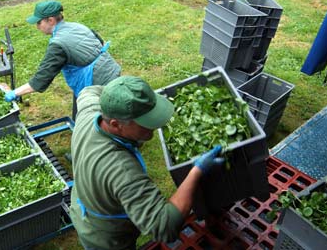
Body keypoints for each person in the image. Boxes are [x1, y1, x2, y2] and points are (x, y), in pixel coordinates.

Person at [69, 76, 224, 250]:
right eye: (145, 122)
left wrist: (124, 96)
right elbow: (165, 227)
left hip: (84, 200)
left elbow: (87, 91)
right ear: (115, 124)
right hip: (106, 238)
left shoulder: (89, 111)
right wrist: (197, 170)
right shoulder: (122, 171)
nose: (155, 126)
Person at [2, 0, 121, 118]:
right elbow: (101, 43)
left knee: (96, 119)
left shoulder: (58, 45)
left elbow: (41, 79)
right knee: (80, 112)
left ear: (51, 20)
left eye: (38, 22)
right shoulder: (77, 26)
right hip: (112, 70)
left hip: (98, 83)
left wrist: (14, 93)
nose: (37, 26)